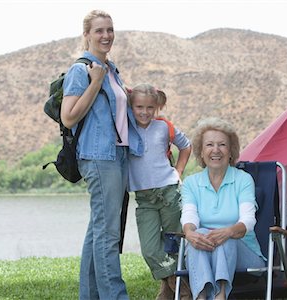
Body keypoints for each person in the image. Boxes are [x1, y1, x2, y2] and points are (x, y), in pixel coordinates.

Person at [61, 10, 143, 300]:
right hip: (99, 157)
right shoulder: (81, 70)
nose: (106, 35)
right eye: (99, 31)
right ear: (86, 35)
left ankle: (91, 295)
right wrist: (95, 82)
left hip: (117, 155)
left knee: (98, 230)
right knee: (109, 234)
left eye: (109, 29)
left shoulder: (112, 69)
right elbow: (68, 117)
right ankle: (115, 296)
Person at [180, 117, 266, 300]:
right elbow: (189, 216)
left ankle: (220, 296)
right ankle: (201, 297)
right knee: (198, 235)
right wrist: (189, 233)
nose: (216, 150)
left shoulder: (243, 180)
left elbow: (248, 220)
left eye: (222, 145)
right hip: (203, 251)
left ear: (231, 151)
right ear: (201, 152)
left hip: (244, 252)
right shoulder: (190, 183)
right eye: (209, 144)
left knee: (226, 238)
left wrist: (228, 231)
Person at [127, 83, 192, 299]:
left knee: (174, 244)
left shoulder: (164, 126)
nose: (144, 112)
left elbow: (186, 145)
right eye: (139, 107)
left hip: (170, 193)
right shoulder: (125, 127)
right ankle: (180, 288)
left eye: (149, 108)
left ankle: (167, 290)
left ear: (156, 107)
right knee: (150, 249)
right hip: (145, 199)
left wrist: (179, 171)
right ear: (131, 106)